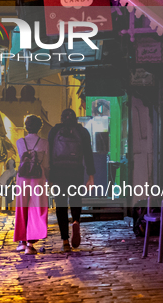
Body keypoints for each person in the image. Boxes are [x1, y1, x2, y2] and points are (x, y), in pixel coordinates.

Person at [48, 108, 95, 252]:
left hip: (58, 172)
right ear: (76, 119)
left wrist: (49, 178)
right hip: (76, 172)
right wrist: (91, 176)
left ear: (62, 119)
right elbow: (88, 154)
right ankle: (75, 221)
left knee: (61, 204)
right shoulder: (82, 132)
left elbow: (49, 155)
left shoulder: (54, 131)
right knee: (75, 200)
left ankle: (65, 241)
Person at [15, 114, 49, 255]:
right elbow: (46, 164)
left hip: (22, 178)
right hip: (38, 177)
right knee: (36, 209)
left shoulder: (19, 141)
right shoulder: (45, 142)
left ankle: (22, 242)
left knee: (21, 208)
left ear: (26, 127)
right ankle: (30, 244)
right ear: (39, 127)